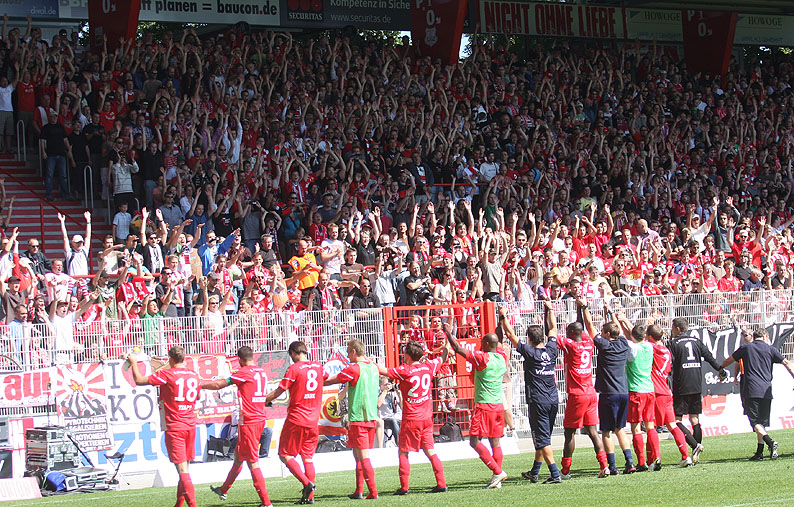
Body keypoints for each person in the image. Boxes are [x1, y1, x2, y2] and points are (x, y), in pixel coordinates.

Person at [127, 346, 201, 507]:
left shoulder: (166, 374)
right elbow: (198, 395)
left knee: (182, 471)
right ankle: (179, 504)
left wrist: (133, 363)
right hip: (190, 425)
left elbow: (139, 380)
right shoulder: (193, 375)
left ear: (170, 359)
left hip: (175, 426)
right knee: (185, 469)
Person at [499, 302, 561, 484]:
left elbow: (510, 334)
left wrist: (503, 315)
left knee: (542, 439)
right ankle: (535, 471)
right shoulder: (551, 350)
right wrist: (550, 309)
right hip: (553, 399)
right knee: (543, 437)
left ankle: (555, 474)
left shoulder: (530, 352)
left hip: (538, 401)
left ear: (529, 338)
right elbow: (554, 329)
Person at [203, 346, 272, 507]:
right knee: (239, 457)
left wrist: (200, 385)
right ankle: (224, 489)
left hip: (249, 421)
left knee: (252, 462)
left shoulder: (243, 372)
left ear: (240, 360)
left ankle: (266, 503)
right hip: (259, 418)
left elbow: (219, 384)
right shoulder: (261, 372)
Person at [377, 338, 448, 495]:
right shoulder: (429, 366)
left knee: (403, 451)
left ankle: (404, 487)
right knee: (430, 451)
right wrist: (448, 342)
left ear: (407, 355)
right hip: (426, 418)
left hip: (411, 419)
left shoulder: (405, 370)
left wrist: (366, 361)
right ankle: (442, 483)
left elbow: (382, 371)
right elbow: (443, 357)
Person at [546, 300, 608, 478]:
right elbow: (585, 325)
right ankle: (604, 466)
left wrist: (550, 311)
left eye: (568, 332)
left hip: (577, 394)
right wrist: (581, 308)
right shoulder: (588, 342)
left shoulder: (570, 345)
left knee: (569, 432)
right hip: (591, 393)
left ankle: (565, 470)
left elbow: (552, 332)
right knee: (593, 431)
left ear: (572, 333)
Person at [445, 325, 508, 489]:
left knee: (474, 441)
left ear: (486, 344)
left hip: (484, 405)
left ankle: (497, 471)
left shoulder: (482, 358)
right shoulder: (502, 357)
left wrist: (448, 332)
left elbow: (458, 348)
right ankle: (496, 479)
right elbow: (499, 340)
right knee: (495, 442)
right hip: (498, 405)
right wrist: (501, 322)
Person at [264, 340, 326, 504]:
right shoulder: (318, 366)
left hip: (297, 419)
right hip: (313, 420)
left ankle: (307, 484)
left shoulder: (294, 369)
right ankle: (310, 497)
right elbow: (325, 379)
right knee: (307, 457)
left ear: (292, 353)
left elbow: (280, 390)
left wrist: (265, 400)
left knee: (284, 454)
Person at [720, 328, 794, 461]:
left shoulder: (746, 348)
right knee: (761, 423)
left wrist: (720, 368)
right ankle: (759, 452)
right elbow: (787, 363)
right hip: (766, 390)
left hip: (751, 389)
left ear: (754, 337)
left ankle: (770, 442)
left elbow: (729, 360)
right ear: (765, 337)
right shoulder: (771, 349)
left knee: (754, 422)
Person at [583, 303, 635, 476]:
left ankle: (612, 466)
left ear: (606, 334)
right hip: (623, 392)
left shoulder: (604, 346)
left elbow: (590, 327)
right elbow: (618, 329)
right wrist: (611, 313)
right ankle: (629, 462)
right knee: (620, 429)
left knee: (606, 431)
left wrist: (585, 309)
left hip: (608, 393)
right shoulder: (623, 343)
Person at [326, 339, 380, 499]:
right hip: (371, 416)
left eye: (348, 352)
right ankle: (359, 490)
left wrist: (317, 380)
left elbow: (333, 380)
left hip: (358, 418)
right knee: (358, 456)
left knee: (363, 457)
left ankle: (373, 492)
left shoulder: (354, 368)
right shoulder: (373, 366)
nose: (347, 356)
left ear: (354, 352)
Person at [668, 317, 725, 464]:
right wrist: (720, 370)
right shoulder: (697, 341)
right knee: (694, 419)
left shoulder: (673, 344)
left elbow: (669, 364)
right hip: (696, 384)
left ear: (677, 329)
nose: (672, 331)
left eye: (672, 328)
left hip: (681, 385)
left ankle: (695, 445)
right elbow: (710, 357)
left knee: (677, 420)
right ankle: (696, 456)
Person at [615, 317, 659, 473]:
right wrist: (624, 321)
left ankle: (641, 461)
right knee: (650, 426)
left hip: (636, 391)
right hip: (650, 390)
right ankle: (656, 456)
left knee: (636, 428)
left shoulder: (632, 348)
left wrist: (617, 319)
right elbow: (635, 334)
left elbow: (622, 335)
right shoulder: (649, 346)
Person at [646, 324, 693, 467]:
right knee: (672, 425)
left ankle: (655, 458)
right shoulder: (666, 350)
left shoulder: (652, 348)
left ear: (650, 337)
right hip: (667, 391)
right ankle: (685, 456)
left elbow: (635, 337)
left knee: (651, 426)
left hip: (656, 392)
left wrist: (623, 321)